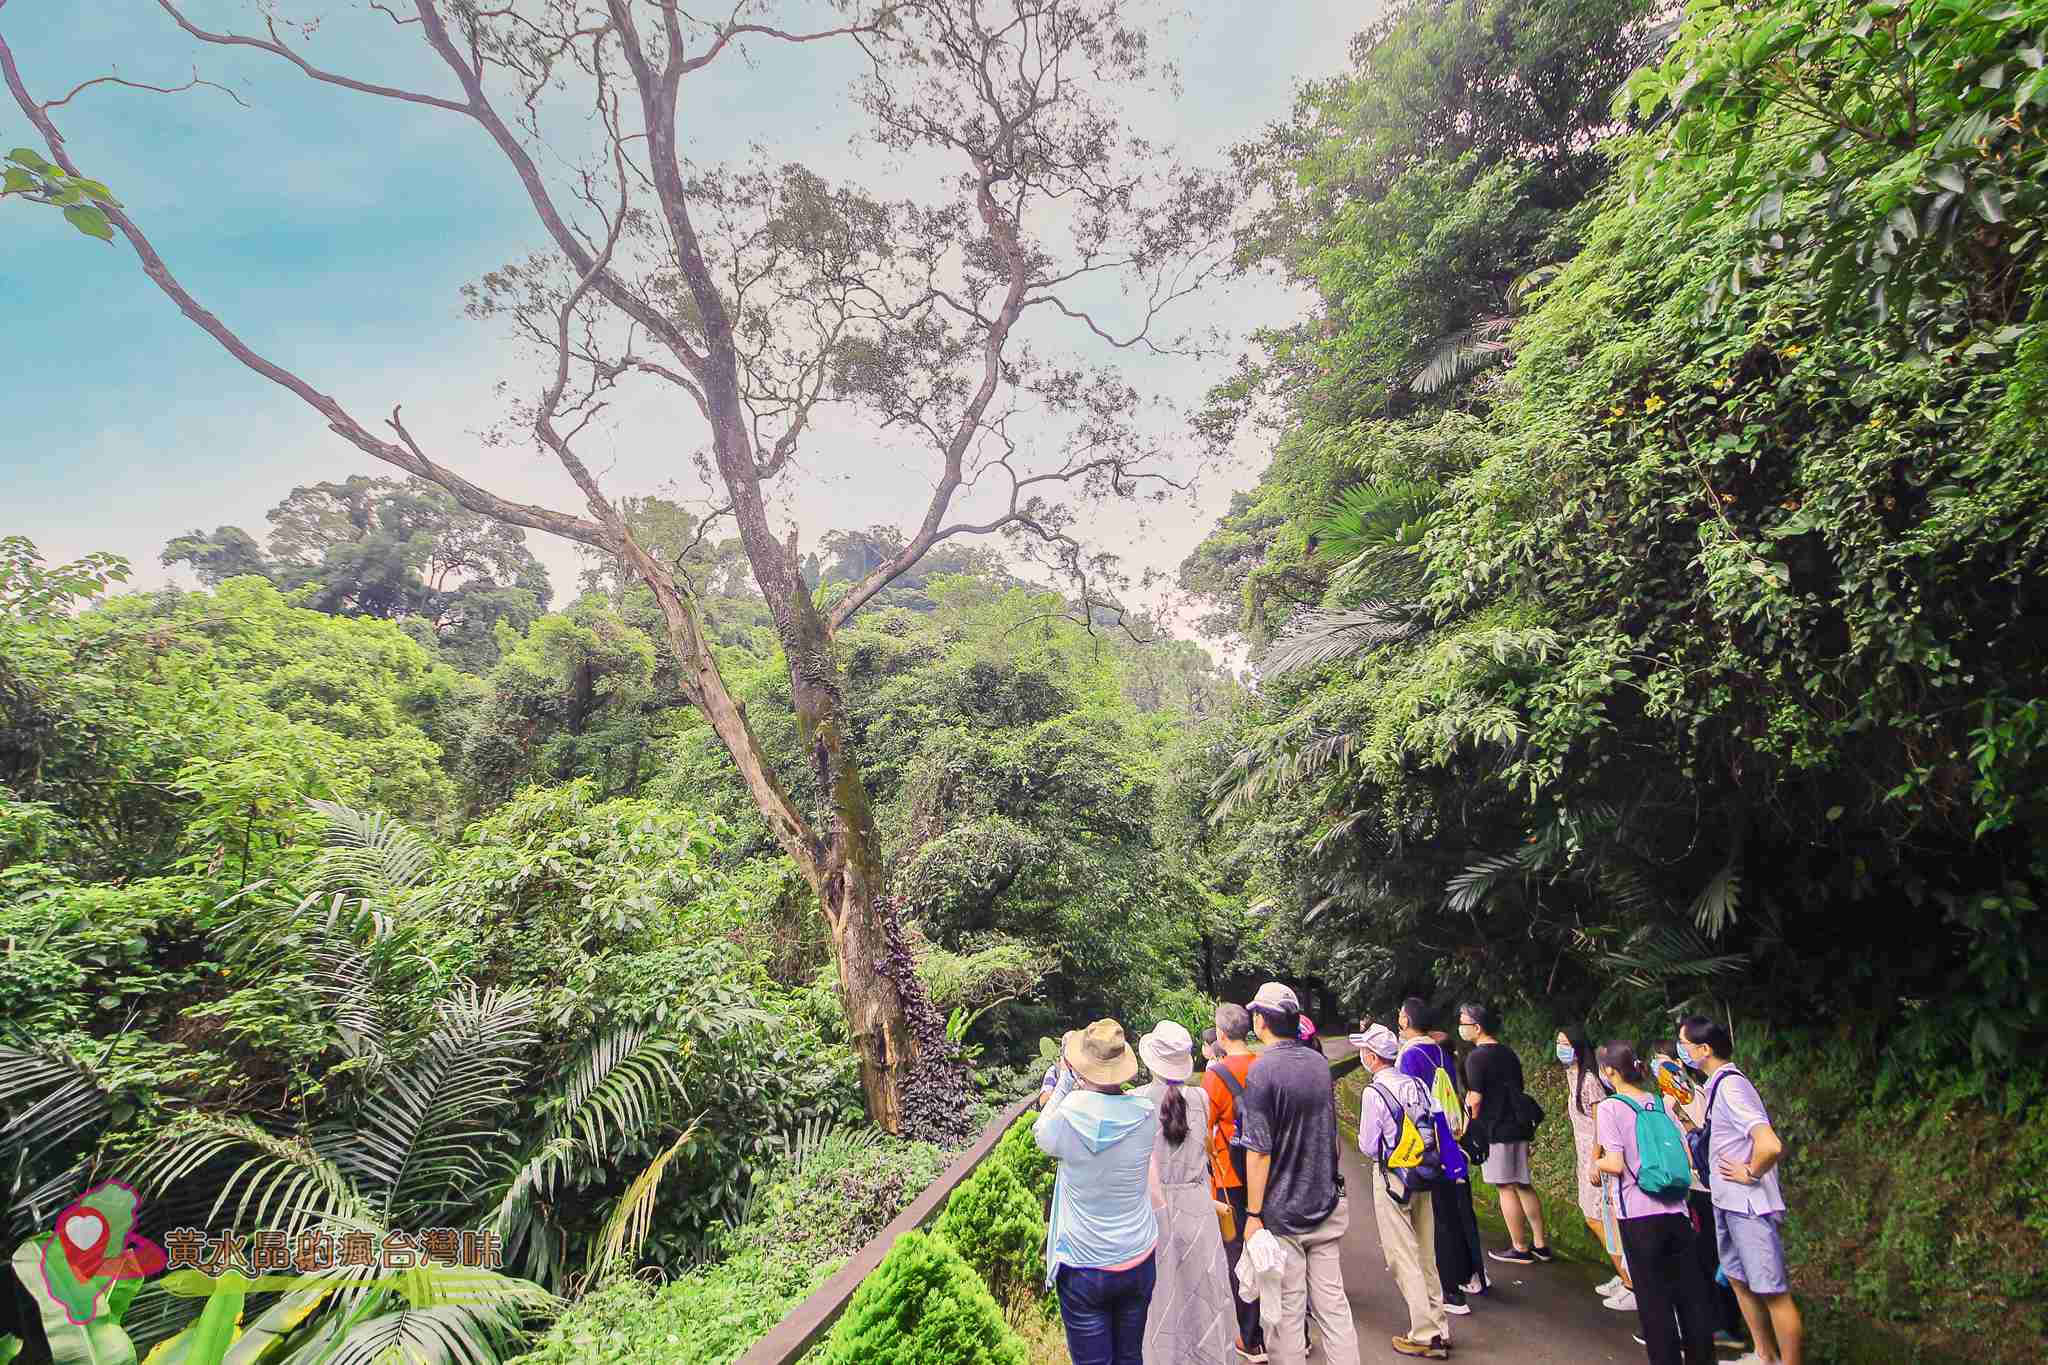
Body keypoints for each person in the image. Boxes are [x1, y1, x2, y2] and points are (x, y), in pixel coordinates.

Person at [1238, 982, 1360, 1365]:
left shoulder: (1262, 1072)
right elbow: (1330, 1134)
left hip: (1282, 1214)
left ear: (1261, 1020)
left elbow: (1258, 1151)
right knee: (1334, 1307)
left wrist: (1253, 1215)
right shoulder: (1318, 1064)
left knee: (1287, 1315)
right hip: (1325, 1203)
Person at [1674, 1017, 1803, 1365]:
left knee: (1772, 1290)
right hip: (1726, 1202)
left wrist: (1750, 1171)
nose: (1679, 1051)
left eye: (1683, 1045)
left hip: (1749, 1207)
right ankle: (1764, 1355)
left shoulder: (1732, 1087)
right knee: (1737, 1278)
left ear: (1704, 1049)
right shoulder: (1716, 1085)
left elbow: (1769, 1144)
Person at [1036, 1019, 1162, 1365]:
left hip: (1085, 1263)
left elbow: (1041, 1130)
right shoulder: (1146, 1115)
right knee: (1129, 1356)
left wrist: (1064, 1079)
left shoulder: (1068, 1119)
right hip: (1137, 1255)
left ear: (1082, 1066)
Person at [1592, 1041, 1717, 1365]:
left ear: (1610, 1071)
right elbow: (1686, 1154)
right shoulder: (1660, 1104)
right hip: (1677, 1212)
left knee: (1655, 1304)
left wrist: (1597, 1165)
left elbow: (1616, 1163)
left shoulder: (1610, 1107)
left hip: (1637, 1216)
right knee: (1692, 1299)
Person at [1138, 1021, 1236, 1365]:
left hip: (1154, 1208)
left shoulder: (1137, 1103)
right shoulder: (1201, 1099)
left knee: (1162, 1299)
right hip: (1198, 1207)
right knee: (1203, 1297)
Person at [1357, 1023, 1453, 1359]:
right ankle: (1439, 1326)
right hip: (1423, 1173)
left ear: (1371, 1057)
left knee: (1403, 1254)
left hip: (1393, 1178)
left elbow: (1369, 1145)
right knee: (1426, 1251)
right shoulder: (1416, 1084)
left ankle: (1424, 1333)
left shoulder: (1374, 1093)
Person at [1654, 1035, 1749, 1351]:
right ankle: (1717, 1323)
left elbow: (1698, 1139)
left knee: (1710, 1258)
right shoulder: (1689, 1093)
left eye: (1663, 1061)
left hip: (1705, 1187)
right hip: (1701, 1187)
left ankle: (1722, 1325)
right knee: (1708, 1257)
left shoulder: (1693, 1095)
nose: (1659, 1068)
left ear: (1679, 1063)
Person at [1396, 999, 1486, 1313]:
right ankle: (1465, 1276)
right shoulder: (1438, 1049)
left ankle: (1449, 1291)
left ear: (1406, 1020)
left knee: (1435, 1219)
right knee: (1453, 1211)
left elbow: (1408, 1103)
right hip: (1450, 1139)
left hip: (1428, 1144)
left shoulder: (1409, 1055)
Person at [1457, 1003, 1551, 1264]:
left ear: (1477, 1027)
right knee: (1522, 1183)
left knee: (1504, 1186)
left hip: (1495, 1129)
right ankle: (1541, 1245)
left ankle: (1520, 1247)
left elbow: (1475, 1098)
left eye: (1463, 1021)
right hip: (1518, 1124)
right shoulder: (1507, 1052)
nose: (1460, 1026)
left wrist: (1469, 1127)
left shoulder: (1476, 1057)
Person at [1202, 1003, 1267, 1363]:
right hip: (1266, 1171)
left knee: (1238, 1254)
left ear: (1222, 1035)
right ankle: (1282, 1329)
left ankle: (1248, 1335)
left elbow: (1205, 1131)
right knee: (1268, 1247)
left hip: (1230, 1177)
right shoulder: (1264, 1065)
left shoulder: (1216, 1075)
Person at [1559, 1024, 1635, 1310]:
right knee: (1597, 1216)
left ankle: (1631, 1279)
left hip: (1598, 1156)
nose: (1561, 1048)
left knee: (1598, 1217)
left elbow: (1601, 1123)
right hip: (1587, 1154)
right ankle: (1623, 1272)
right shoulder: (1574, 1075)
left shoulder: (1589, 1080)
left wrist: (1594, 1160)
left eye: (1565, 1043)